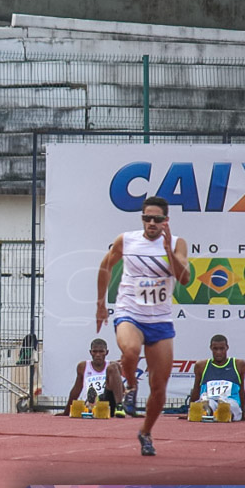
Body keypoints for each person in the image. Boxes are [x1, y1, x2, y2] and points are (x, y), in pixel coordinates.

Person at [97, 195, 190, 456]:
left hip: (160, 321)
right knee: (130, 350)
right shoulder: (126, 240)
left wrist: (169, 248)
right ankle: (131, 387)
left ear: (165, 221)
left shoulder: (177, 243)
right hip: (130, 312)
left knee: (159, 389)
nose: (151, 222)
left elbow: (184, 279)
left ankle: (146, 432)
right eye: (146, 218)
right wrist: (100, 304)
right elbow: (105, 267)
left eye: (157, 219)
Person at [58, 338, 126, 417]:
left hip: (108, 404)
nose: (98, 355)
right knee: (91, 399)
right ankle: (93, 402)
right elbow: (76, 390)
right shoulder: (83, 366)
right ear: (90, 352)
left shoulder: (112, 367)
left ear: (106, 352)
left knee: (114, 366)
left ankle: (118, 406)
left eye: (101, 352)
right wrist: (66, 412)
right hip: (90, 406)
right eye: (95, 351)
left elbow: (122, 389)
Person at [188, 334, 245, 421]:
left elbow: (242, 390)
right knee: (208, 403)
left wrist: (243, 414)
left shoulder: (238, 364)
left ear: (227, 348)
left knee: (229, 405)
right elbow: (196, 389)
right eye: (215, 349)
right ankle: (208, 412)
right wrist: (190, 411)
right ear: (211, 348)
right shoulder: (201, 365)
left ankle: (225, 413)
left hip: (230, 400)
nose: (218, 352)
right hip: (210, 399)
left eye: (222, 349)